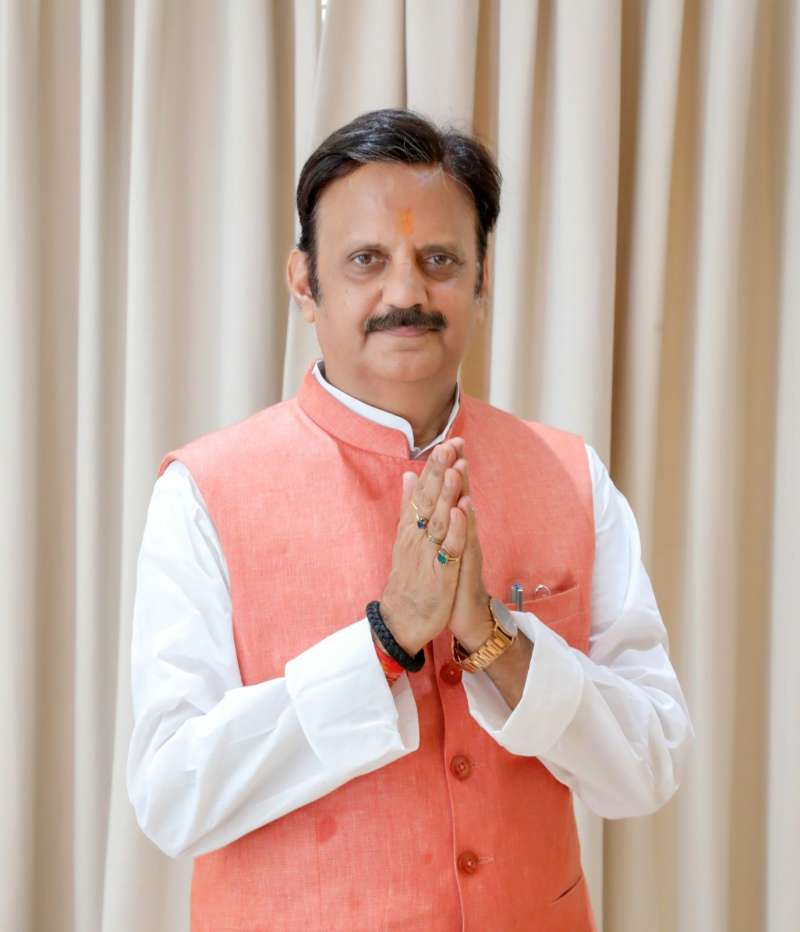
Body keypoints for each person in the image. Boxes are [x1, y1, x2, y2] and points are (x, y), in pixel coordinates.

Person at [127, 108, 694, 932]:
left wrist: (497, 642)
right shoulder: (203, 492)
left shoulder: (571, 475)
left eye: (439, 260)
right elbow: (171, 793)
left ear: (481, 280)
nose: (406, 294)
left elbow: (650, 764)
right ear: (304, 282)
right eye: (367, 260)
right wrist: (385, 640)